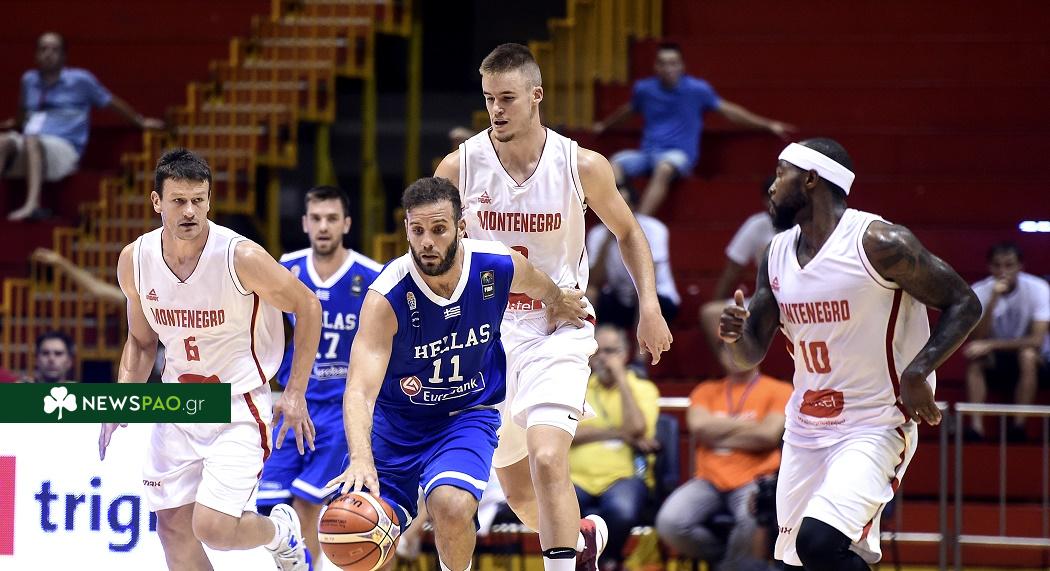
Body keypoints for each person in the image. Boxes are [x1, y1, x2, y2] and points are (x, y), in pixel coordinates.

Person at [434, 43, 674, 571]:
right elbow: (431, 248)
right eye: (489, 99)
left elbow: (629, 231)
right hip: (486, 336)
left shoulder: (580, 164)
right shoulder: (460, 166)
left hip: (557, 324)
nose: (496, 110)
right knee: (522, 496)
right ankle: (581, 536)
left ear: (536, 95)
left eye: (507, 98)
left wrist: (649, 306)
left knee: (547, 459)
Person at [719, 138, 982, 571]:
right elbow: (750, 354)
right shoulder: (776, 253)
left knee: (819, 543)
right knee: (799, 562)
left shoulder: (880, 242)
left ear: (810, 179)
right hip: (805, 428)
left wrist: (918, 372)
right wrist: (735, 336)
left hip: (874, 422)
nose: (772, 186)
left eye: (781, 173)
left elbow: (964, 303)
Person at [326, 177, 590, 571]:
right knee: (356, 529)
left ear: (461, 228)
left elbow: (536, 281)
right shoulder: (386, 297)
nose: (427, 242)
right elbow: (359, 391)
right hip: (396, 424)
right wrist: (361, 459)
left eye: (438, 229)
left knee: (451, 506)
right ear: (406, 230)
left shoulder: (496, 264)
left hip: (465, 416)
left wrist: (557, 300)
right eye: (417, 231)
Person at [97, 148, 321, 570]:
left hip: (237, 402)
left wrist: (295, 393)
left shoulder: (240, 256)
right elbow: (141, 343)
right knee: (172, 528)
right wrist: (123, 397)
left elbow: (308, 306)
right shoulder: (135, 259)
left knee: (213, 528)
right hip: (178, 403)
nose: (189, 211)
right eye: (179, 200)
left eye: (198, 200)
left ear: (209, 200)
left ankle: (281, 532)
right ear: (156, 201)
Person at [256, 185, 384, 567]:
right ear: (304, 223)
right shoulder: (286, 268)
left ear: (346, 223)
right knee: (268, 504)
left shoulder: (371, 275)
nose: (323, 226)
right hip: (293, 403)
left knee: (306, 504)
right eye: (316, 218)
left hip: (341, 410)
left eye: (332, 218)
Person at [592, 43, 795, 216]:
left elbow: (729, 112)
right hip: (647, 154)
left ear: (682, 66)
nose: (668, 68)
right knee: (611, 165)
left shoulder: (697, 90)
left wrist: (767, 124)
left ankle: (640, 223)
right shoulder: (644, 90)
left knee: (664, 168)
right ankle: (620, 215)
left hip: (678, 156)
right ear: (656, 67)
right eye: (663, 63)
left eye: (673, 63)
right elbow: (627, 111)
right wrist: (605, 125)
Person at [0, 32, 163, 221]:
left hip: (64, 149)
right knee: (3, 141)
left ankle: (33, 205)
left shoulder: (80, 81)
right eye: (43, 49)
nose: (48, 54)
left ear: (63, 56)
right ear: (36, 54)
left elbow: (111, 102)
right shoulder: (29, 80)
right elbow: (23, 115)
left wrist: (140, 121)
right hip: (31, 145)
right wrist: (13, 124)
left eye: (54, 50)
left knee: (32, 140)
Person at [655, 353, 790, 571]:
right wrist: (752, 428)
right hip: (707, 480)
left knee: (752, 517)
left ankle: (735, 563)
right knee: (669, 522)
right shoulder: (705, 391)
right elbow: (699, 427)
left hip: (754, 479)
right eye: (728, 348)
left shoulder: (779, 390)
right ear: (720, 354)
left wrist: (716, 432)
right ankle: (727, 562)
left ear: (757, 352)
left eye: (741, 347)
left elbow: (768, 435)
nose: (735, 353)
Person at [569, 324, 660, 571]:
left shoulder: (643, 389)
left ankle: (608, 561)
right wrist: (620, 433)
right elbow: (569, 433)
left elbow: (637, 429)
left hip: (623, 478)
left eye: (610, 351)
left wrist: (621, 378)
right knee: (558, 507)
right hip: (577, 478)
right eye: (598, 351)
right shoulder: (579, 386)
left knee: (621, 509)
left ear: (625, 354)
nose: (603, 358)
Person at [964, 242, 1050, 442]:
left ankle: (1018, 426)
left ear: (1020, 266)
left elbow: (1036, 340)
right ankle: (976, 428)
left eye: (1009, 265)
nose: (1003, 271)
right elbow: (977, 338)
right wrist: (993, 300)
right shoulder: (980, 291)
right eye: (997, 265)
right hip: (997, 359)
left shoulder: (1038, 288)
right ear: (989, 267)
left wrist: (992, 344)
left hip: (1032, 358)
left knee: (1027, 356)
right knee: (976, 361)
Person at [699, 177, 789, 360]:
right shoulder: (757, 225)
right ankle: (734, 370)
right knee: (710, 313)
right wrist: (720, 303)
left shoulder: (809, 225)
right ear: (765, 200)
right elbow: (732, 269)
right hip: (768, 301)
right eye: (772, 196)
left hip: (803, 300)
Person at [586, 184, 680, 330]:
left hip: (656, 296)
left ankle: (641, 345)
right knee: (589, 294)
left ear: (634, 207)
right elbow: (593, 281)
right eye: (612, 204)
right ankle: (594, 341)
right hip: (619, 296)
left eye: (623, 205)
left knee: (643, 295)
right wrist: (610, 236)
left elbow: (649, 277)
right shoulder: (597, 234)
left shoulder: (654, 229)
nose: (616, 210)